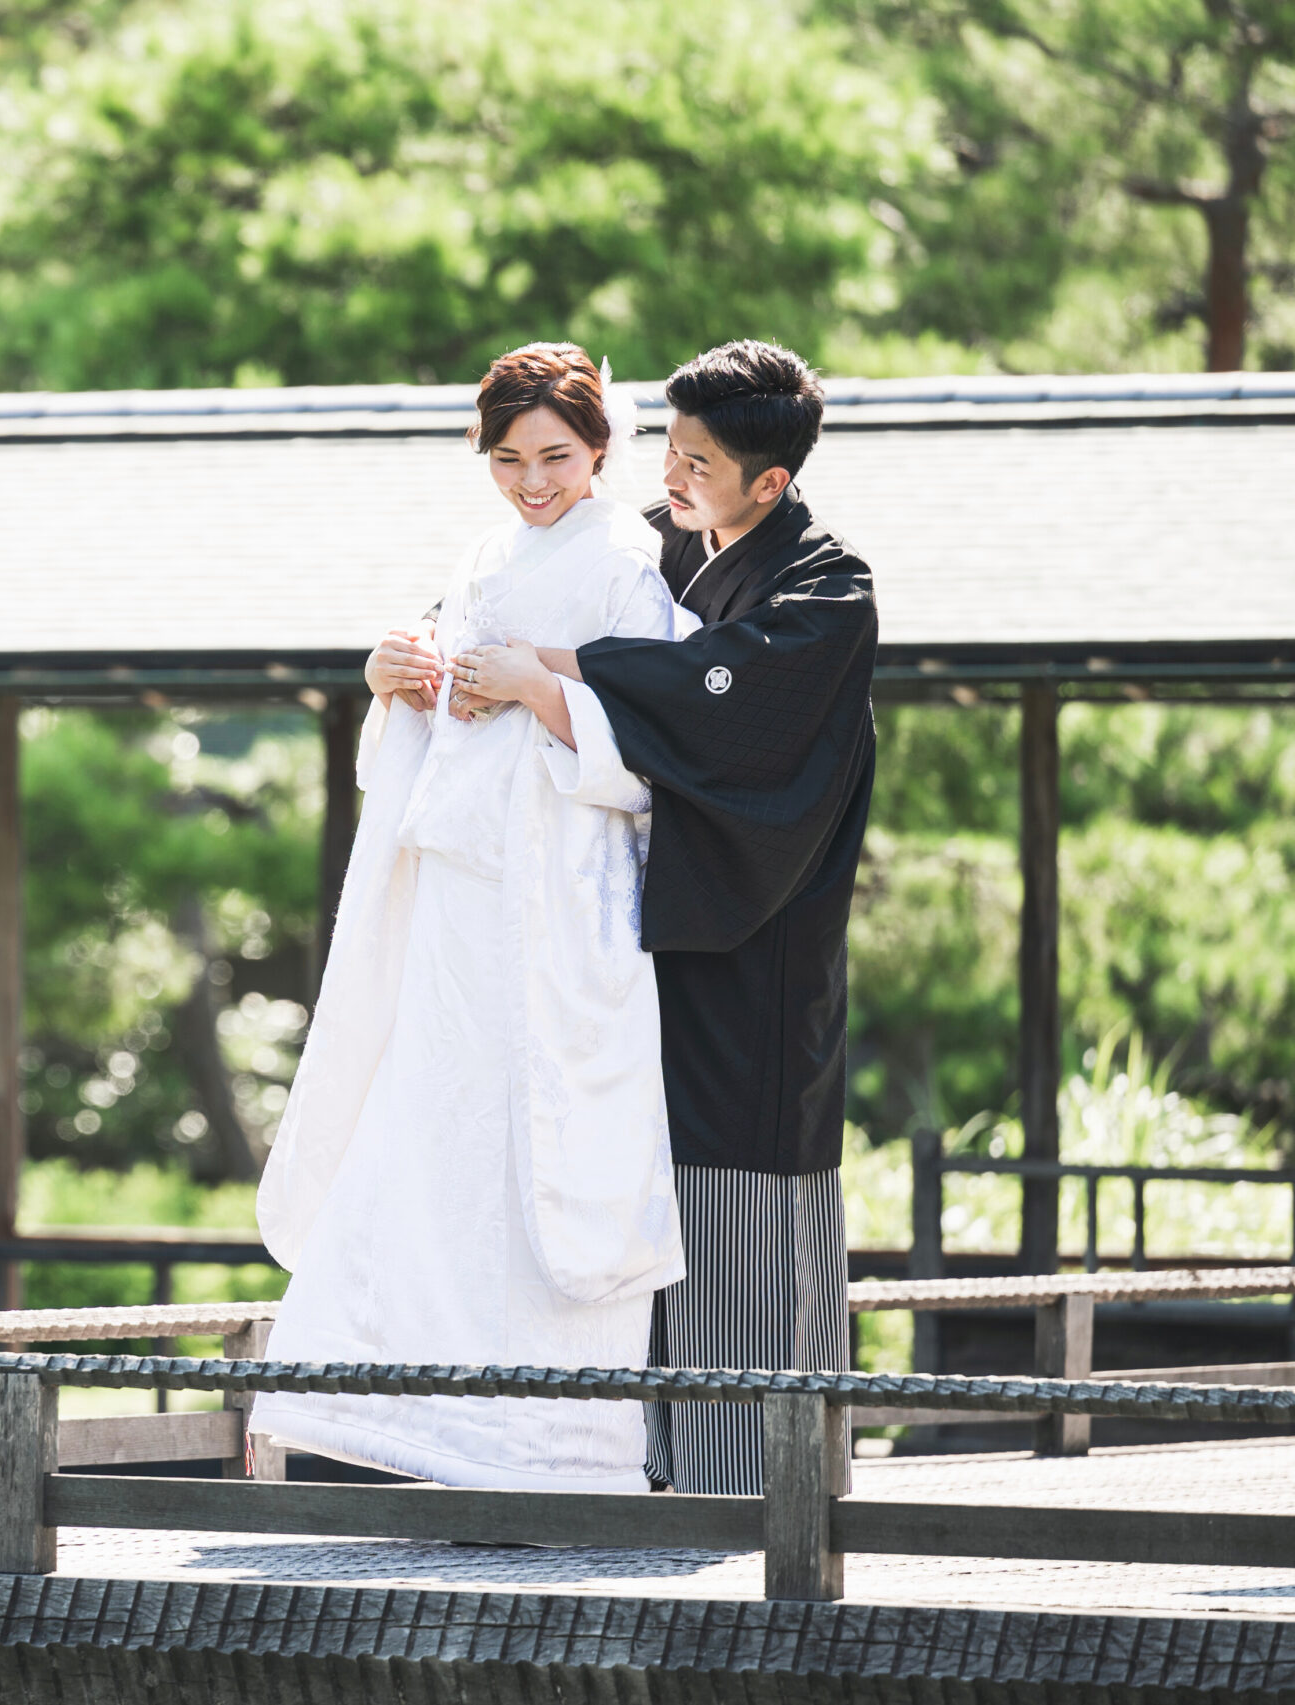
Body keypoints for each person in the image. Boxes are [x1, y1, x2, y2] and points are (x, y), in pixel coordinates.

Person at [248, 343, 694, 1492]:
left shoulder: (628, 562)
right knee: (430, 1126)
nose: (531, 481)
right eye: (507, 459)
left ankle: (551, 1448)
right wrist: (394, 678)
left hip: (557, 898)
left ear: (600, 447)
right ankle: (423, 1428)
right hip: (458, 891)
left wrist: (535, 688)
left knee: (540, 1142)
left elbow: (660, 741)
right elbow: (439, 704)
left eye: (554, 456)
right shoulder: (485, 555)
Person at [450, 340, 876, 1495]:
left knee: (739, 1193)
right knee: (630, 1183)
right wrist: (427, 653)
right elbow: (534, 588)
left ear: (768, 482)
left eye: (697, 464)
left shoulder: (826, 591)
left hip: (753, 933)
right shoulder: (668, 542)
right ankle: (650, 1464)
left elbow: (708, 695)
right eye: (671, 452)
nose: (672, 478)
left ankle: (758, 1484)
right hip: (638, 931)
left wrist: (544, 675)